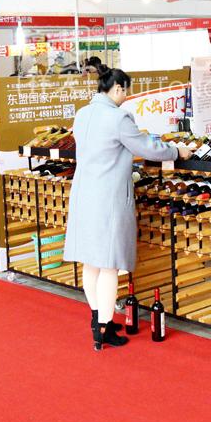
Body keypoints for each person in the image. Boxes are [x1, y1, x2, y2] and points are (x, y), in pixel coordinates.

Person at [62, 69, 190, 350]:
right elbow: (148, 148)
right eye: (126, 90)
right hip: (107, 198)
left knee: (90, 262)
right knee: (110, 264)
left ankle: (97, 318)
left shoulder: (82, 114)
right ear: (118, 88)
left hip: (84, 195)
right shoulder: (118, 118)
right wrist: (176, 151)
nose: (127, 96)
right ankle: (104, 328)